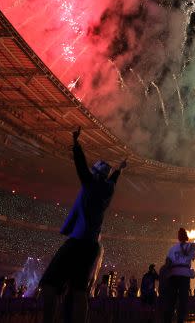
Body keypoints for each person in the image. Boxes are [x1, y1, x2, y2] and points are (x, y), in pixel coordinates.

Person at [39, 128, 126, 323]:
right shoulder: (108, 190)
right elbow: (113, 179)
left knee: (49, 285)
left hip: (78, 241)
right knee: (79, 291)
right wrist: (119, 169)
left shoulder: (91, 184)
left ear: (95, 174)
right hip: (92, 246)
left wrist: (76, 143)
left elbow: (80, 166)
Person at [164, 223, 195, 323]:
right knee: (183, 300)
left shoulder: (172, 249)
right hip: (184, 275)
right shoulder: (190, 246)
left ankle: (168, 319)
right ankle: (180, 320)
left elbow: (167, 263)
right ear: (186, 236)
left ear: (178, 237)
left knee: (172, 300)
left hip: (174, 275)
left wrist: (166, 276)